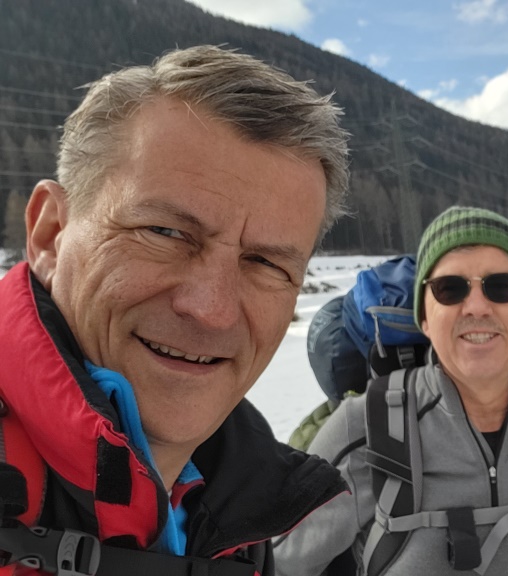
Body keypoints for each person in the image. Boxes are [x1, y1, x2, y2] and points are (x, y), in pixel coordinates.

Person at [0, 45, 350, 575]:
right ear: (50, 235)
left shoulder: (291, 519)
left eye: (265, 263)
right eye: (165, 232)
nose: (212, 310)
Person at [274, 206, 508, 576]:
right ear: (424, 317)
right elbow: (275, 565)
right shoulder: (364, 430)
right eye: (449, 289)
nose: (477, 307)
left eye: (502, 286)